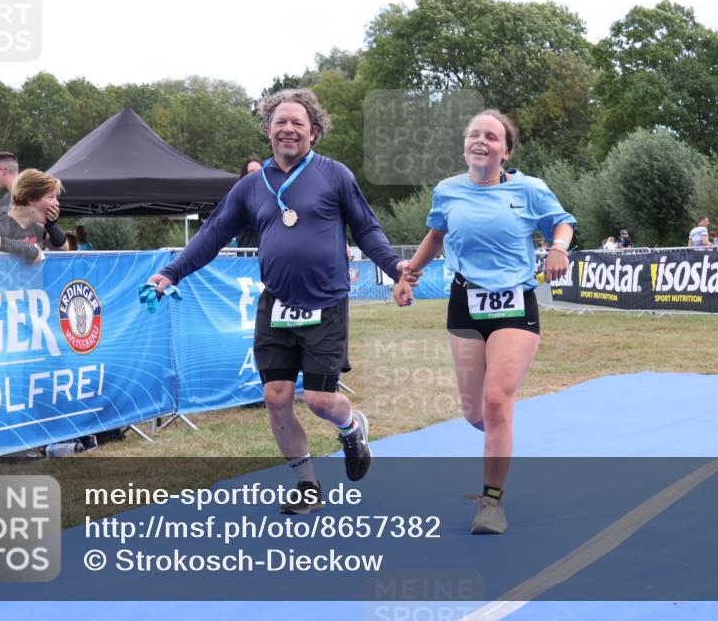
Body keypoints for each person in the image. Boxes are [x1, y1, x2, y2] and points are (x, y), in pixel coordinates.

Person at [146, 89, 417, 514]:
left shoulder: (335, 175)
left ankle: (351, 428)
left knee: (321, 400)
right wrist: (170, 271)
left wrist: (394, 268)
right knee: (276, 396)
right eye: (280, 121)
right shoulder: (252, 186)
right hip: (276, 304)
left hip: (325, 303)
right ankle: (306, 484)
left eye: (298, 123)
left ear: (314, 131)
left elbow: (366, 228)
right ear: (268, 129)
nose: (288, 128)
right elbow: (213, 234)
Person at [393, 109, 575, 534]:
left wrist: (558, 248)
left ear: (505, 151)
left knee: (496, 403)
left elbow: (562, 223)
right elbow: (436, 235)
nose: (481, 141)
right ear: (465, 145)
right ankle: (501, 432)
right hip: (466, 302)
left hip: (515, 301)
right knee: (476, 412)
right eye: (473, 135)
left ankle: (492, 503)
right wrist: (409, 275)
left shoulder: (530, 190)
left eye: (491, 137)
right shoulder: (447, 191)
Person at [0, 169, 69, 262]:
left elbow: (64, 248)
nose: (57, 203)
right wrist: (27, 249)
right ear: (30, 199)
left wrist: (51, 225)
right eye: (51, 197)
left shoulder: (33, 228)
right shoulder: (5, 224)